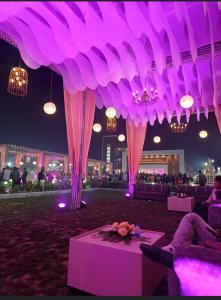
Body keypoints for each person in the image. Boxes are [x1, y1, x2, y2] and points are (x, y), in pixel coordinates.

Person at [140, 212, 221, 269]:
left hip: (217, 243)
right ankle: (175, 249)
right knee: (191, 221)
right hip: (217, 237)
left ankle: (173, 250)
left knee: (191, 216)